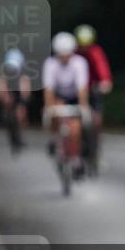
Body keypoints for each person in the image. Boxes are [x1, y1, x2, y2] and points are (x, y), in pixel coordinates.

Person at [42, 32, 90, 173]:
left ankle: (76, 159)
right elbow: (49, 89)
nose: (64, 58)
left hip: (74, 97)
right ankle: (54, 138)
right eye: (61, 55)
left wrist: (83, 106)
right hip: (59, 97)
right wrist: (49, 107)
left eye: (67, 54)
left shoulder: (79, 63)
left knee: (75, 128)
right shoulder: (50, 64)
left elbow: (82, 88)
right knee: (54, 113)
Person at [0, 48, 32, 152]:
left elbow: (26, 92)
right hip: (9, 98)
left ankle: (20, 136)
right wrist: (5, 97)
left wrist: (22, 104)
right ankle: (12, 136)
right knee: (9, 116)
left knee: (21, 114)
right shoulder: (3, 74)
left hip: (19, 97)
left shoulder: (23, 76)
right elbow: (1, 88)